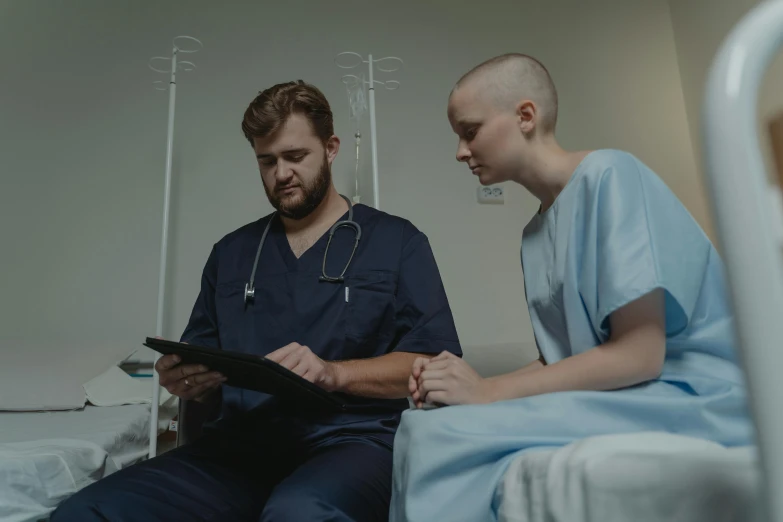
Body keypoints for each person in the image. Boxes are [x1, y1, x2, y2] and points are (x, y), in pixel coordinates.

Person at [52, 80, 461, 522]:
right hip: (238, 449)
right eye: (266, 161)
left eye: (295, 156)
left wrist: (334, 373)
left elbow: (434, 364)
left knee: (298, 514)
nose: (280, 173)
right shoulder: (232, 253)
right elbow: (199, 355)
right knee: (88, 511)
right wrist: (182, 378)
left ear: (331, 148)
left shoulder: (396, 242)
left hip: (351, 445)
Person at [389, 53, 755, 521]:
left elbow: (640, 355)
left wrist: (490, 392)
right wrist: (470, 386)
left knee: (445, 437)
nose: (460, 151)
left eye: (470, 131)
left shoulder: (611, 175)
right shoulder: (534, 233)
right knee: (423, 425)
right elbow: (562, 357)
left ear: (525, 116)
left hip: (691, 392)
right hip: (625, 391)